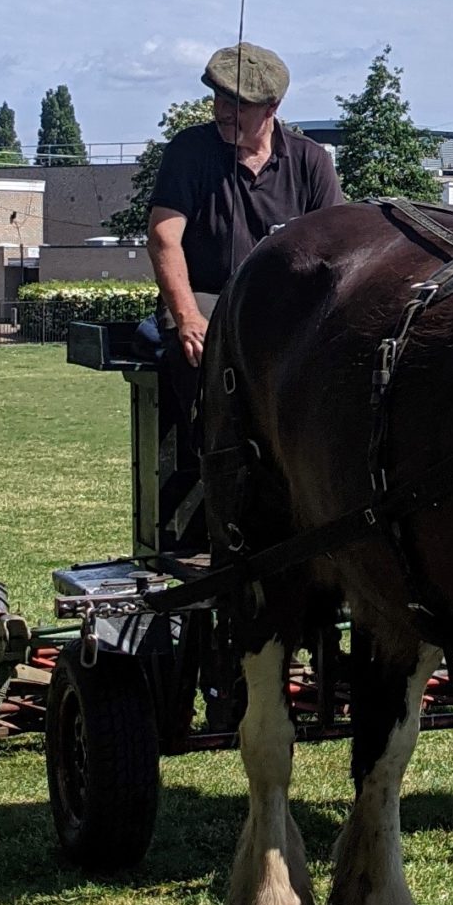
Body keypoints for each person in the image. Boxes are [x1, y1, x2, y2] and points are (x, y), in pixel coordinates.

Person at [143, 42, 343, 542]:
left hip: (285, 303)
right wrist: (187, 315)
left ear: (272, 109)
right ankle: (220, 487)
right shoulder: (188, 152)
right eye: (217, 99)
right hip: (209, 295)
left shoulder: (311, 161)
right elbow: (164, 237)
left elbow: (339, 249)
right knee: (206, 353)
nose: (223, 112)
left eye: (238, 104)